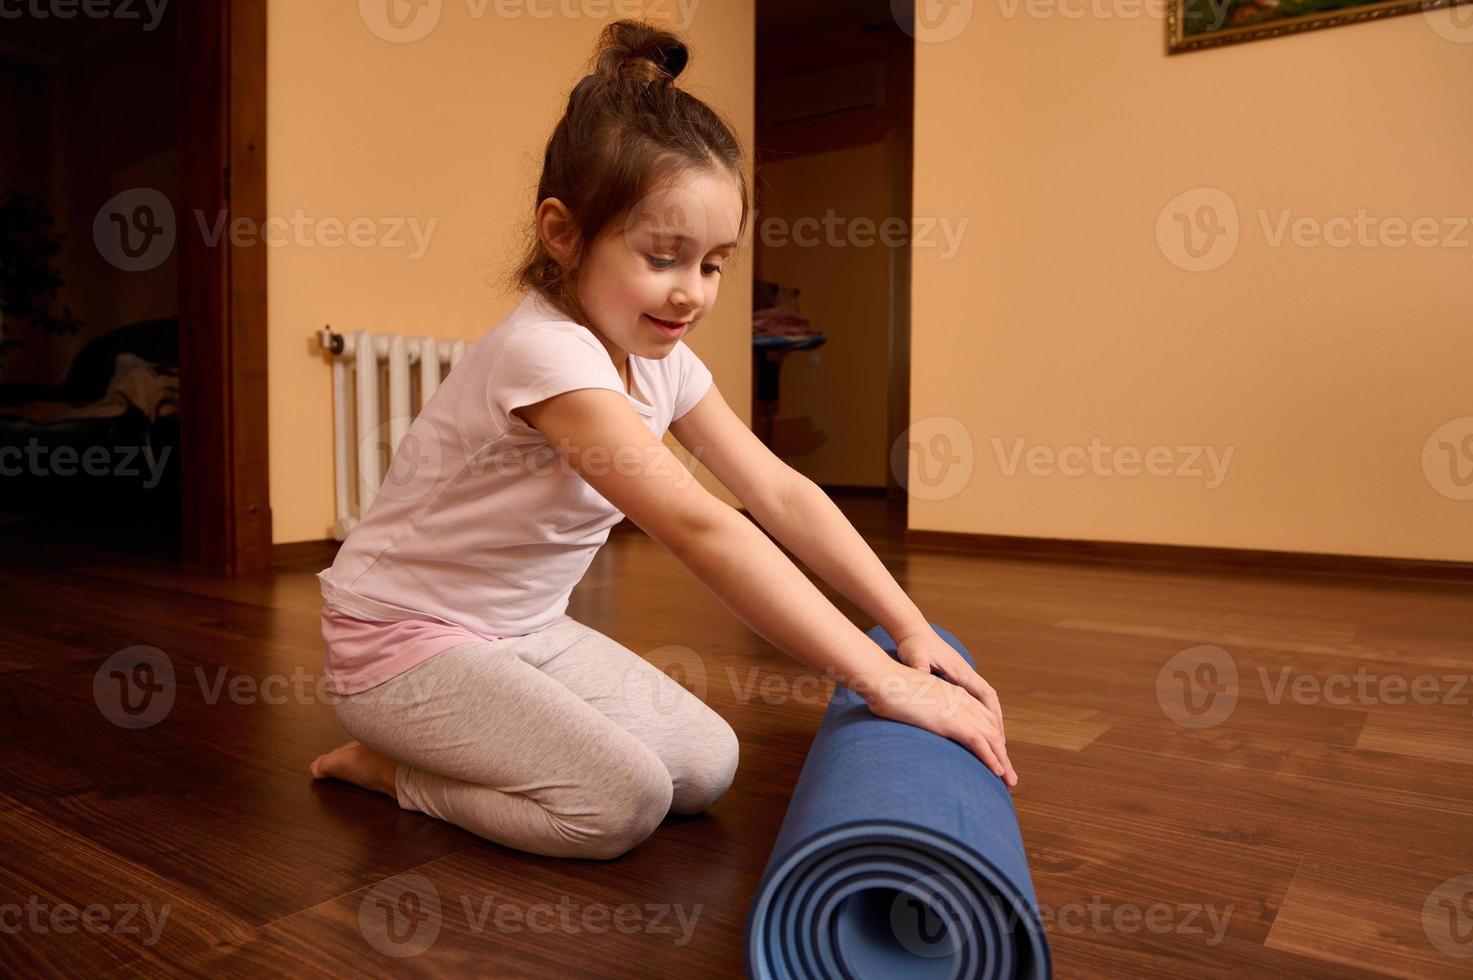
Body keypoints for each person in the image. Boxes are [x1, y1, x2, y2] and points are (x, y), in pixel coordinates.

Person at [309, 19, 1015, 862]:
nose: (691, 294)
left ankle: (471, 740)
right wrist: (880, 684)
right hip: (402, 646)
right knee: (620, 804)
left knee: (706, 765)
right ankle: (386, 769)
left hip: (527, 631)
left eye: (712, 264)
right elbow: (701, 527)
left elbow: (779, 492)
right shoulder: (546, 355)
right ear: (563, 234)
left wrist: (910, 628)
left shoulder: (661, 362)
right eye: (664, 257)